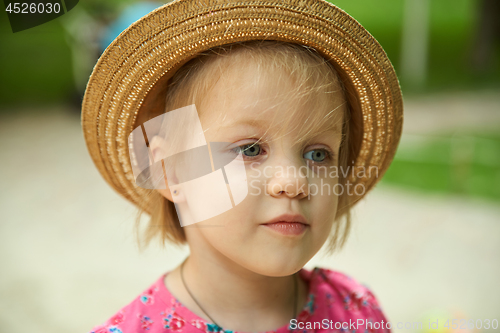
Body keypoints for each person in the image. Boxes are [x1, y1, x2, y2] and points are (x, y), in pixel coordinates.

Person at [81, 0, 403, 332]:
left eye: (317, 154)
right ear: (169, 169)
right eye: (250, 149)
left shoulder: (355, 315)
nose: (293, 181)